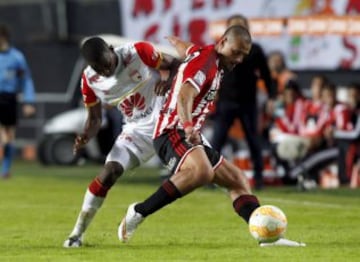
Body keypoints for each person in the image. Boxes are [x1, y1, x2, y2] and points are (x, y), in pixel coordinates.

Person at [118, 26, 304, 247]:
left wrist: (177, 42)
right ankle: (138, 211)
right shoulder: (206, 63)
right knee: (202, 172)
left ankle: (267, 239)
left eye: (244, 54)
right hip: (173, 131)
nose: (239, 59)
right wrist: (188, 127)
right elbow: (185, 95)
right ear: (223, 42)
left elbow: (189, 49)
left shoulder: (206, 55)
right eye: (236, 52)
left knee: (238, 181)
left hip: (189, 134)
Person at [63, 36, 180, 247]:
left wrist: (168, 81)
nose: (104, 71)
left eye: (106, 64)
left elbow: (175, 64)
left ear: (111, 49)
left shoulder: (136, 52)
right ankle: (76, 235)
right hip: (135, 131)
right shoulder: (89, 80)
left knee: (204, 172)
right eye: (98, 68)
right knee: (109, 172)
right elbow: (95, 118)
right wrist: (86, 135)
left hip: (167, 123)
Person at [211, 14, 277, 189]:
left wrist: (271, 97)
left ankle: (259, 178)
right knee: (217, 140)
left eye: (242, 26)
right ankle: (208, 176)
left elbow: (267, 75)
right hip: (225, 101)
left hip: (248, 102)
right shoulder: (219, 50)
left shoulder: (255, 50)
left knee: (253, 141)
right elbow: (212, 73)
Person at [0, 24, 36, 178]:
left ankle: (5, 170)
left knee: (9, 137)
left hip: (9, 99)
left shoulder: (16, 57)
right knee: (1, 135)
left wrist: (29, 101)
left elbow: (26, 80)